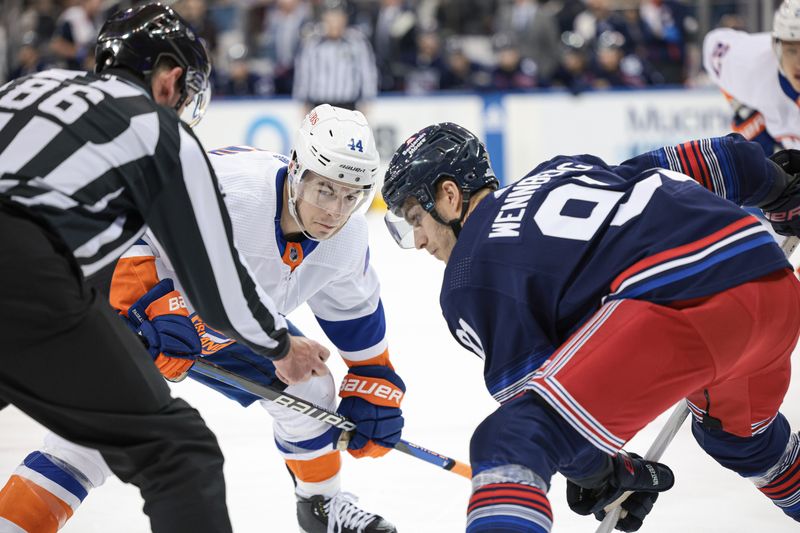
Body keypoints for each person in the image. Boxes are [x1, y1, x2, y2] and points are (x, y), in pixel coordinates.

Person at [0, 3, 329, 533]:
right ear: (170, 79)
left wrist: (136, 309)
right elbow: (218, 289)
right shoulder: (156, 129)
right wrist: (281, 348)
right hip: (24, 272)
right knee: (180, 453)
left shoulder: (26, 88)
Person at [0, 105, 402, 533]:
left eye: (351, 196)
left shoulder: (348, 237)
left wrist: (373, 376)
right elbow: (121, 225)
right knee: (88, 440)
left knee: (311, 388)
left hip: (230, 320)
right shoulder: (232, 188)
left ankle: (321, 507)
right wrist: (153, 303)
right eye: (325, 190)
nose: (335, 212)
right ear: (298, 169)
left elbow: (355, 312)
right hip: (139, 304)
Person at [381, 122, 800, 532]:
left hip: (685, 306)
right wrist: (781, 189)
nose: (418, 240)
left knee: (508, 441)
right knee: (736, 437)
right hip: (770, 279)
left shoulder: (466, 279)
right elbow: (705, 161)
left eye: (416, 218)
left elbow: (543, 414)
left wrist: (601, 474)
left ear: (450, 196)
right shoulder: (559, 170)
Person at [704, 0, 800, 154]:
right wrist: (740, 106)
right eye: (791, 51)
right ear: (777, 48)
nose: (798, 64)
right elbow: (712, 47)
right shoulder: (750, 63)